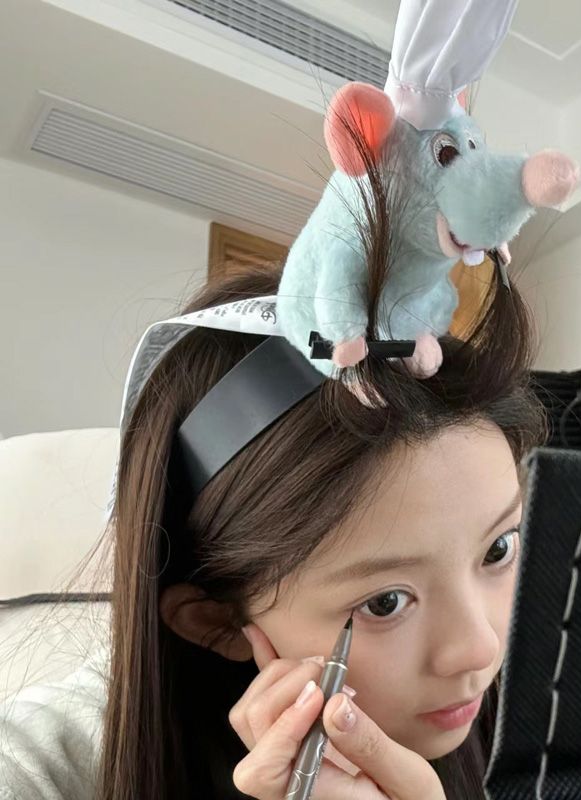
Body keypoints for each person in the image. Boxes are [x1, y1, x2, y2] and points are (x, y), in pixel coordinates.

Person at [0, 111, 547, 798]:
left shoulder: (546, 692)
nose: (481, 647)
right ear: (218, 621)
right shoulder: (58, 755)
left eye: (497, 549)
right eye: (384, 601)